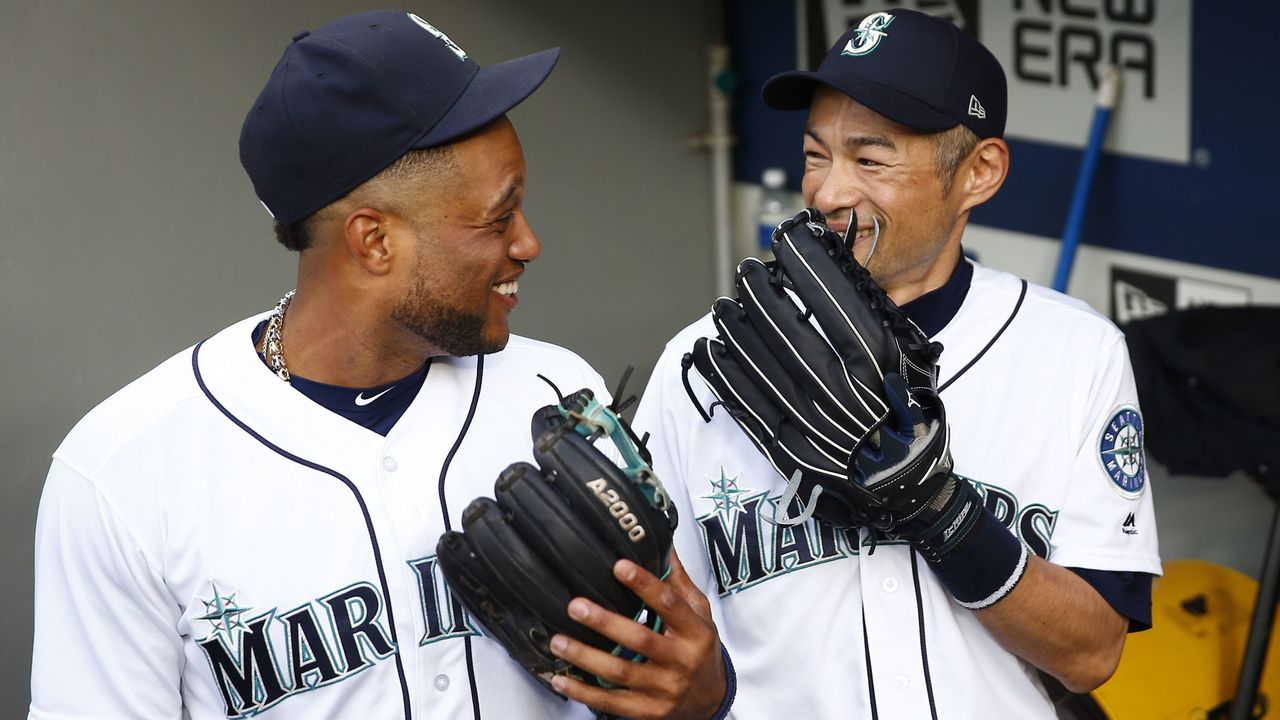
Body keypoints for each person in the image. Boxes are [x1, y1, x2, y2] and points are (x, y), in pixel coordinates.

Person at [29, 10, 728, 720]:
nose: (528, 244)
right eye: (497, 218)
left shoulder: (555, 394)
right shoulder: (123, 473)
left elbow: (669, 660)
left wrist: (709, 699)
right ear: (374, 242)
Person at [634, 8, 1160, 718]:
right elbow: (655, 634)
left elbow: (1092, 655)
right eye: (816, 154)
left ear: (979, 172)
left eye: (870, 160)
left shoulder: (1074, 353)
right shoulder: (706, 366)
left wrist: (942, 513)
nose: (826, 193)